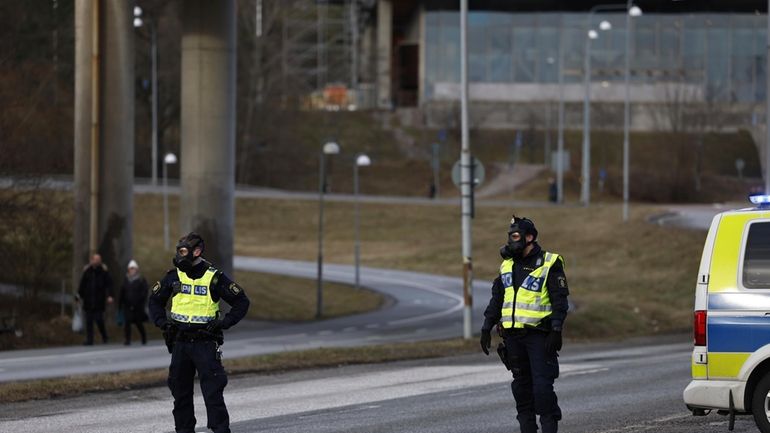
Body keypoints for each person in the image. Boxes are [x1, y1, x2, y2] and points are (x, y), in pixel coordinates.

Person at [149, 232, 250, 433]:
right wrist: (163, 322)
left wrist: (224, 323)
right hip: (180, 343)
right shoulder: (174, 275)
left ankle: (220, 430)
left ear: (197, 251)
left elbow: (241, 301)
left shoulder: (214, 277)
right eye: (179, 252)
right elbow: (154, 300)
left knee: (213, 394)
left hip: (205, 344)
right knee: (180, 394)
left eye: (184, 252)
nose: (180, 256)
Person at [480, 215, 570, 433]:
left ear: (530, 237)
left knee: (542, 389)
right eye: (510, 236)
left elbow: (560, 300)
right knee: (521, 390)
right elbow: (497, 299)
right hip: (513, 338)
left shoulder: (549, 263)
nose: (512, 240)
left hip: (539, 337)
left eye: (516, 236)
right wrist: (486, 326)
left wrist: (556, 329)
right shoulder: (507, 265)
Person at [77, 253, 113, 345]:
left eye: (99, 259)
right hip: (88, 301)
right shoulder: (87, 272)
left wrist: (109, 295)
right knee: (89, 322)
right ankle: (90, 340)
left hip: (99, 301)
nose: (97, 261)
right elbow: (82, 285)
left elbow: (109, 285)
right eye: (95, 259)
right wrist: (79, 295)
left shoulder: (104, 272)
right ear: (91, 260)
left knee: (99, 320)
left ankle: (104, 336)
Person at [119, 259, 149, 345]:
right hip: (127, 305)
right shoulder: (126, 280)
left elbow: (144, 292)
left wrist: (141, 301)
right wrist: (120, 304)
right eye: (131, 268)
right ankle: (127, 339)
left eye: (133, 268)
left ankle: (144, 337)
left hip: (138, 306)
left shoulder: (141, 280)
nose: (132, 270)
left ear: (136, 269)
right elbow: (122, 292)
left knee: (138, 322)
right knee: (127, 322)